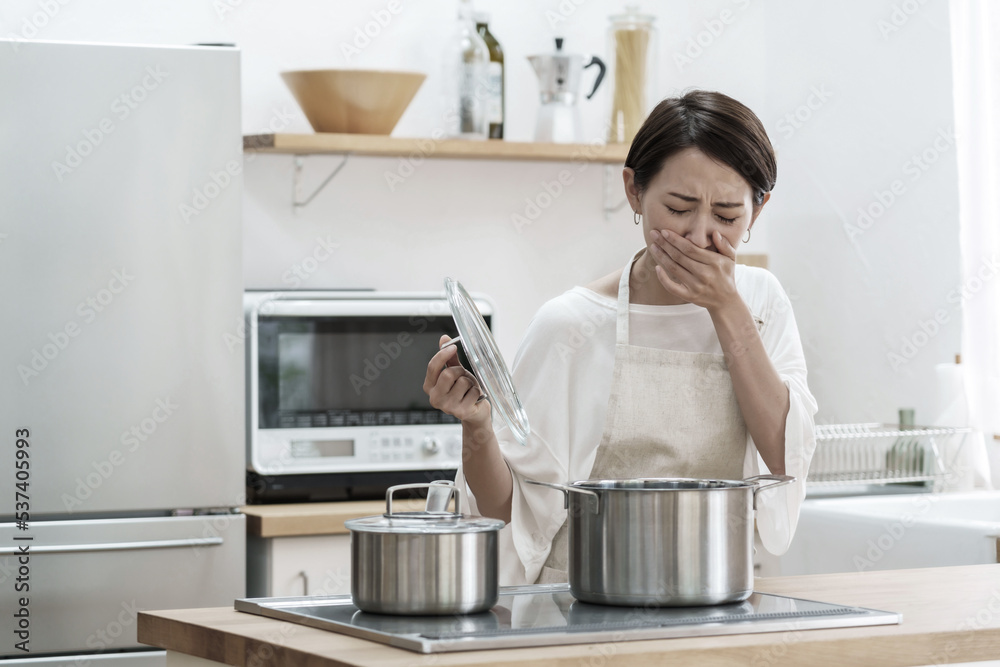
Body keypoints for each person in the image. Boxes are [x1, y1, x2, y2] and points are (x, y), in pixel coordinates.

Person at [423, 90, 818, 585]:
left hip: (714, 593)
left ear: (756, 212)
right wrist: (477, 426)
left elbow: (786, 459)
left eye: (726, 217)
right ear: (634, 190)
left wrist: (725, 307)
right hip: (580, 603)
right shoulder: (570, 324)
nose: (699, 236)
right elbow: (505, 510)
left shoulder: (762, 303)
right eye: (678, 208)